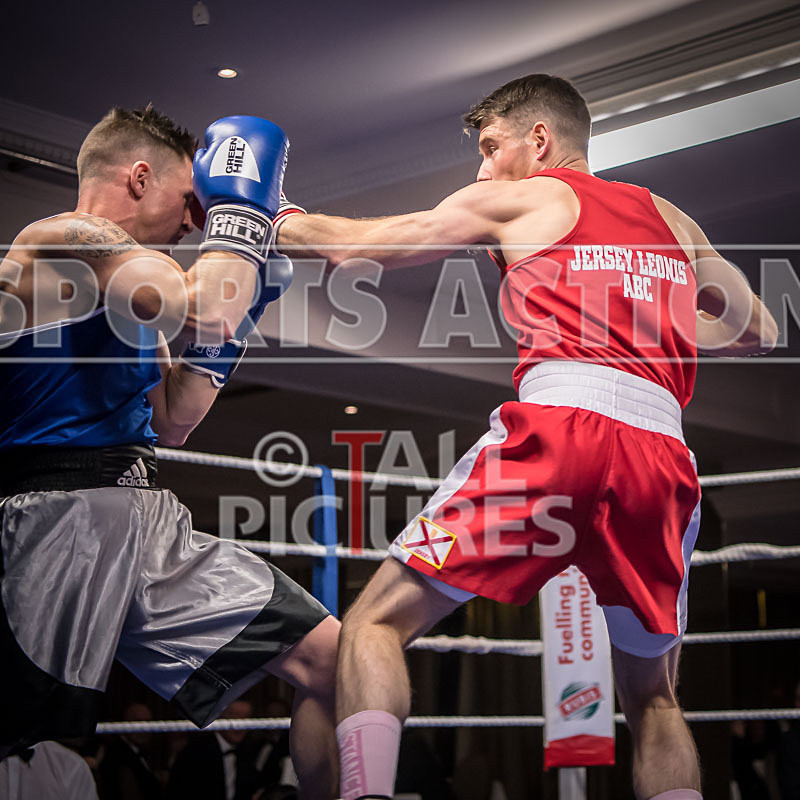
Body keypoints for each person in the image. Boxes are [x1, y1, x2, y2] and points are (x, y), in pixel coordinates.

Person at [273, 74, 779, 800]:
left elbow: (362, 250)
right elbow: (757, 328)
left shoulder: (523, 196)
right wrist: (648, 316)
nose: (482, 169)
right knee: (655, 696)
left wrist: (267, 217)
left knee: (372, 626)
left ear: (539, 140)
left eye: (491, 146)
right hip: (662, 458)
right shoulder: (672, 218)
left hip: (561, 429)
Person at [0, 107, 339, 798]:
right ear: (138, 176)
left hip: (145, 522)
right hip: (55, 523)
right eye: (191, 200)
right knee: (20, 740)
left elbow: (177, 416)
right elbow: (203, 300)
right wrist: (242, 220)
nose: (194, 220)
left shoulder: (129, 296)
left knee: (334, 659)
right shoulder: (65, 239)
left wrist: (240, 319)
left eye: (205, 207)